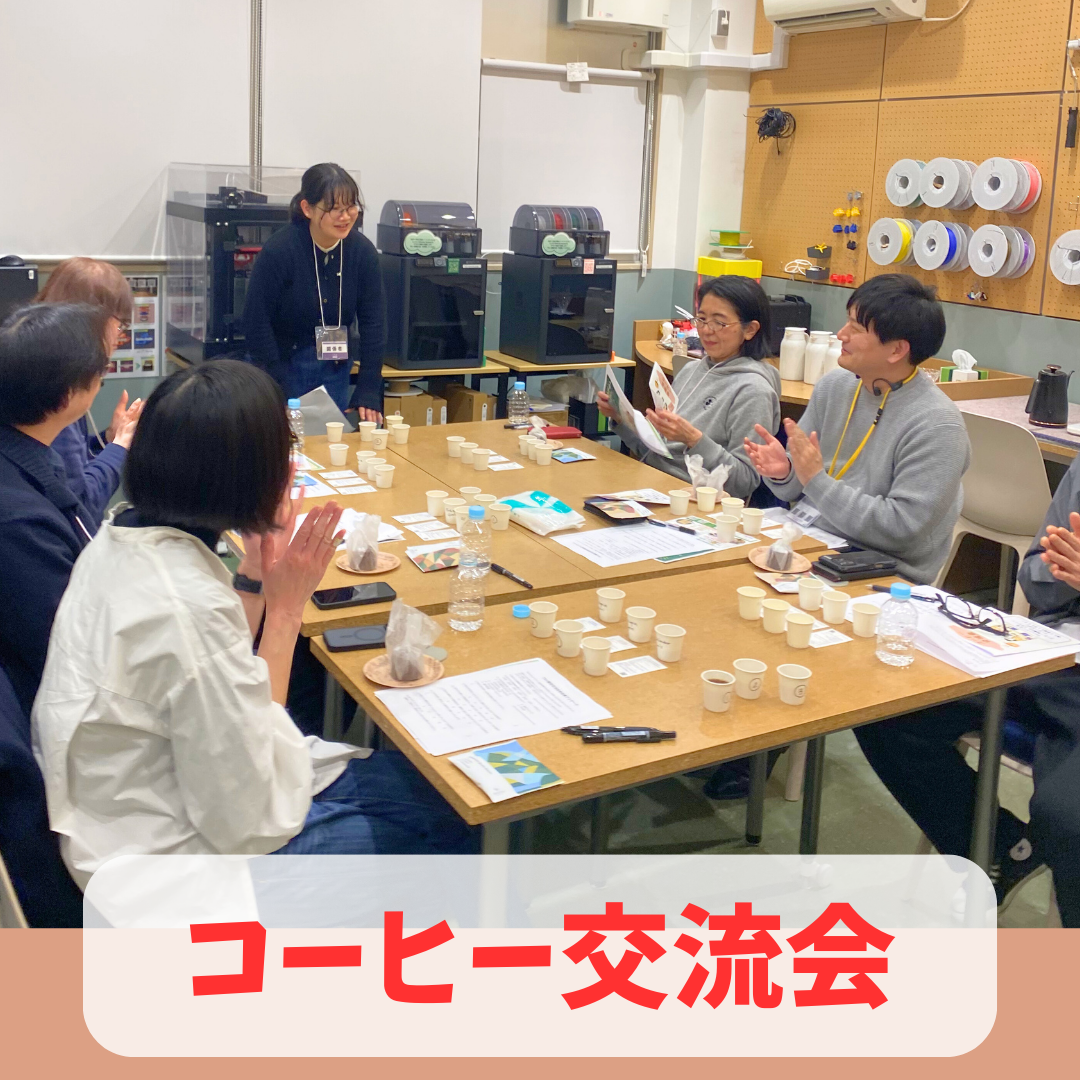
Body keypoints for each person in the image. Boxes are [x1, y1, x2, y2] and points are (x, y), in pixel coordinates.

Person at [31, 359, 475, 887]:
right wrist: (285, 611)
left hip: (133, 806)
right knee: (449, 820)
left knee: (416, 782)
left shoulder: (122, 539)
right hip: (170, 870)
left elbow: (214, 680)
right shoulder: (184, 606)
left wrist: (255, 578)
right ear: (254, 478)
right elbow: (251, 818)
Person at [855, 455, 1080, 926]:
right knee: (886, 706)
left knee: (1065, 817)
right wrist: (1058, 571)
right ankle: (1000, 848)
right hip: (1054, 651)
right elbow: (1036, 575)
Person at [745, 273, 970, 584]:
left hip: (879, 568)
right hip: (809, 540)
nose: (841, 334)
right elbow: (797, 486)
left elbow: (901, 528)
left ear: (896, 350)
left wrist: (815, 480)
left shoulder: (937, 424)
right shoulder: (834, 386)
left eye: (856, 328)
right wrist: (784, 471)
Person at [0, 303, 106, 716]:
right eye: (98, 373)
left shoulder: (27, 453)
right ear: (66, 397)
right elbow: (69, 649)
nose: (102, 379)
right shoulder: (21, 522)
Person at [597, 276, 781, 501]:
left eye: (719, 323)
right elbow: (660, 454)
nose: (706, 330)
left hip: (697, 502)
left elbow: (743, 482)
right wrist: (622, 420)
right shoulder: (692, 370)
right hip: (655, 485)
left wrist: (694, 440)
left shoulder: (754, 391)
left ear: (750, 329)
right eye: (701, 319)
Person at [243, 162, 385, 419]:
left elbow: (374, 322)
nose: (345, 217)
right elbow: (256, 321)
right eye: (334, 209)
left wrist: (368, 387)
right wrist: (276, 389)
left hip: (335, 366)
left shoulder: (362, 252)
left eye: (350, 207)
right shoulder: (280, 250)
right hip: (284, 365)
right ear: (307, 208)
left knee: (332, 438)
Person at [34, 258, 143, 524]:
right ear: (94, 320)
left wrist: (108, 439)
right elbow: (81, 505)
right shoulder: (57, 389)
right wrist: (121, 446)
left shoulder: (42, 367)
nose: (119, 337)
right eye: (119, 325)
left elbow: (69, 466)